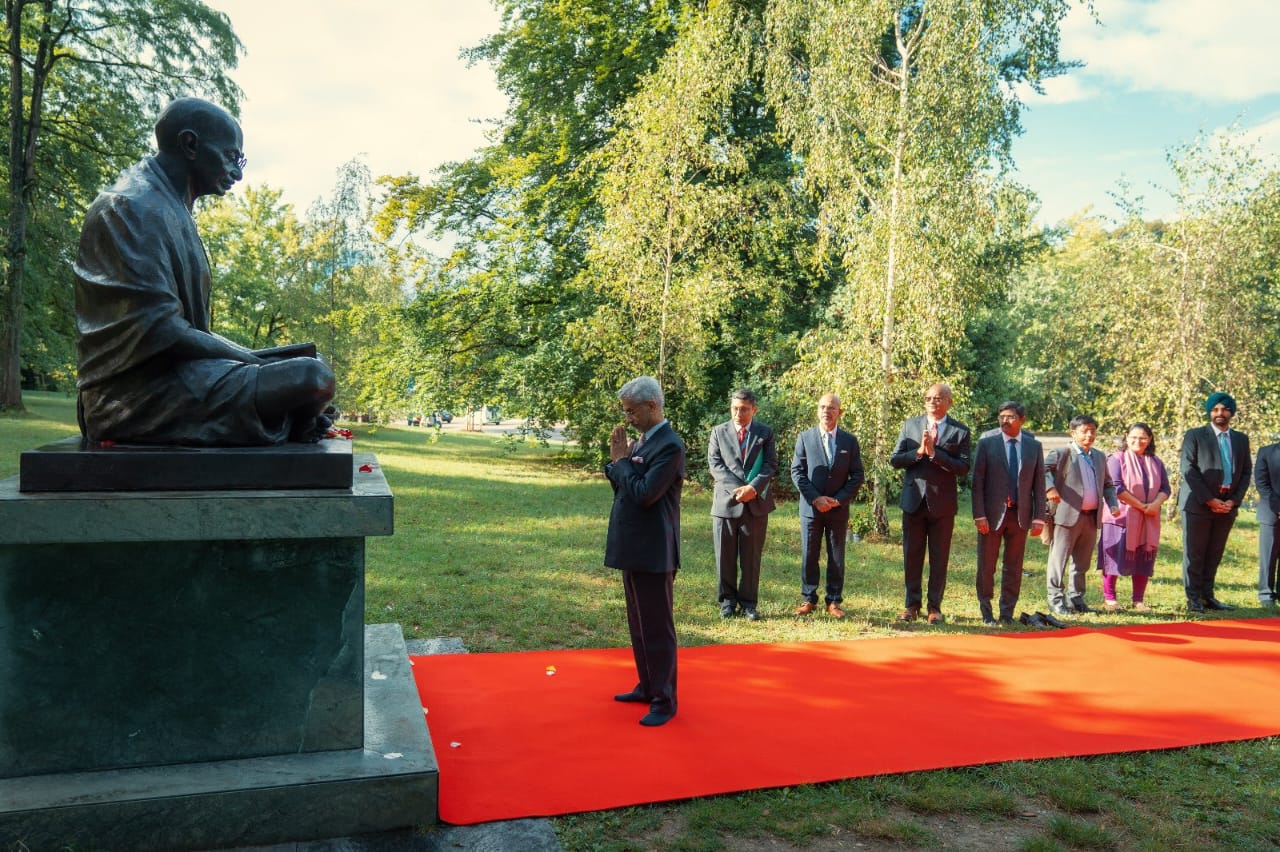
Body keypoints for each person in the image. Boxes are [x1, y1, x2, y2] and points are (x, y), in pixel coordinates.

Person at [74, 97, 334, 446]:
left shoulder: (169, 206)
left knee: (308, 361)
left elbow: (190, 331)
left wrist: (258, 362)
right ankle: (293, 418)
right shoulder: (131, 208)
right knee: (312, 377)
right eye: (231, 157)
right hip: (131, 398)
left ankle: (293, 419)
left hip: (180, 375)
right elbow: (162, 330)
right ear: (190, 144)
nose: (238, 173)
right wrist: (254, 363)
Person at [605, 376, 686, 727]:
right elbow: (625, 487)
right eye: (625, 412)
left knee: (657, 626)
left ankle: (665, 699)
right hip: (633, 544)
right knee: (638, 623)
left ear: (652, 406)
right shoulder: (642, 441)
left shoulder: (670, 446)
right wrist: (616, 465)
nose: (628, 419)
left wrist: (623, 464)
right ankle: (647, 685)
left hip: (654, 549)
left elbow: (645, 494)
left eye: (631, 411)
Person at [890, 382, 971, 624]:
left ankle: (934, 607)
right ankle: (911, 606)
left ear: (949, 402)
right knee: (912, 555)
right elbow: (895, 460)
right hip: (913, 501)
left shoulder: (960, 431)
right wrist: (919, 453)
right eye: (928, 398)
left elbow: (964, 468)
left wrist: (936, 454)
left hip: (942, 505)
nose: (932, 402)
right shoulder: (910, 425)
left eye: (938, 398)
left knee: (939, 558)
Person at [789, 393, 865, 618]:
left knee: (836, 555)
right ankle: (808, 598)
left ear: (839, 412)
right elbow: (797, 471)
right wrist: (816, 498)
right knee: (809, 554)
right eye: (822, 407)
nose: (826, 411)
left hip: (837, 509)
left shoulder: (849, 441)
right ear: (817, 410)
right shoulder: (805, 438)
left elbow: (857, 475)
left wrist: (839, 499)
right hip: (811, 508)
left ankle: (833, 601)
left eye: (831, 408)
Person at [971, 402, 1046, 626]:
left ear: (1022, 420)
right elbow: (977, 482)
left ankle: (1006, 613)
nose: (1005, 421)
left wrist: (1039, 516)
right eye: (1001, 416)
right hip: (992, 515)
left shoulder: (1033, 446)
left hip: (1020, 515)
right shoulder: (987, 443)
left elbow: (1039, 484)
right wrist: (979, 514)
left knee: (1013, 567)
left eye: (1010, 417)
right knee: (987, 565)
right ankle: (986, 612)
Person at [707, 389, 778, 620]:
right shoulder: (718, 432)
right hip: (725, 503)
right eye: (735, 408)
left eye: (744, 409)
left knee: (751, 556)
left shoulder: (765, 433)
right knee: (724, 555)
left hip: (755, 505)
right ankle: (727, 601)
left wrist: (753, 489)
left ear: (754, 410)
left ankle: (749, 603)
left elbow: (770, 465)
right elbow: (715, 465)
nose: (739, 413)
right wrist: (739, 490)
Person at [1179, 392, 1251, 613]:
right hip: (1198, 505)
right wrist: (1210, 500)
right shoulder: (1195, 435)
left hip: (1227, 506)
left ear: (1232, 412)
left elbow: (1246, 471)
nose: (1220, 413)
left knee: (1214, 553)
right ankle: (1193, 599)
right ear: (1210, 412)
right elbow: (1188, 470)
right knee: (1195, 553)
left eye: (1225, 409)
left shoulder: (1241, 439)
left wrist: (1234, 501)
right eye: (1215, 409)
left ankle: (1207, 596)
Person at [1044, 415, 1120, 615]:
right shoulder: (1062, 453)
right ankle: (1056, 600)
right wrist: (1050, 488)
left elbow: (1108, 484)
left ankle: (1076, 598)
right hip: (1066, 516)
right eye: (1084, 430)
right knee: (1058, 560)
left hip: (1090, 517)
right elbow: (1042, 471)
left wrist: (1112, 503)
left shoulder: (1099, 456)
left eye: (1093, 430)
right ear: (1073, 433)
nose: (1089, 434)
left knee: (1082, 562)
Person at [1097, 423, 1170, 612]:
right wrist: (1142, 506)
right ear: (1126, 437)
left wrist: (1153, 506)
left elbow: (1165, 489)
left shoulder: (1156, 462)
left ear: (1150, 439)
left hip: (1148, 519)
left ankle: (1138, 600)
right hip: (1120, 517)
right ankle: (1110, 598)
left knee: (1143, 558)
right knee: (1114, 558)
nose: (1138, 441)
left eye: (1143, 437)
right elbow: (1116, 487)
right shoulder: (1116, 459)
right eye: (1134, 437)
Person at [1255, 438, 1280, 608]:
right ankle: (1266, 594)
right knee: (1269, 555)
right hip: (1271, 513)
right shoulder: (1267, 452)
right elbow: (1262, 483)